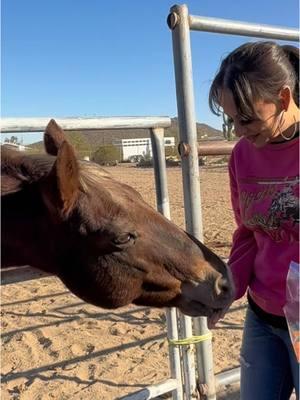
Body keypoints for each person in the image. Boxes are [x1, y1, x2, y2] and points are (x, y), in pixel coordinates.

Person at [208, 41, 299, 400]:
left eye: (247, 119)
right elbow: (248, 233)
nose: (240, 131)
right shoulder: (243, 157)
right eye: (231, 120)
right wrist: (230, 285)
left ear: (285, 97)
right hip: (263, 317)